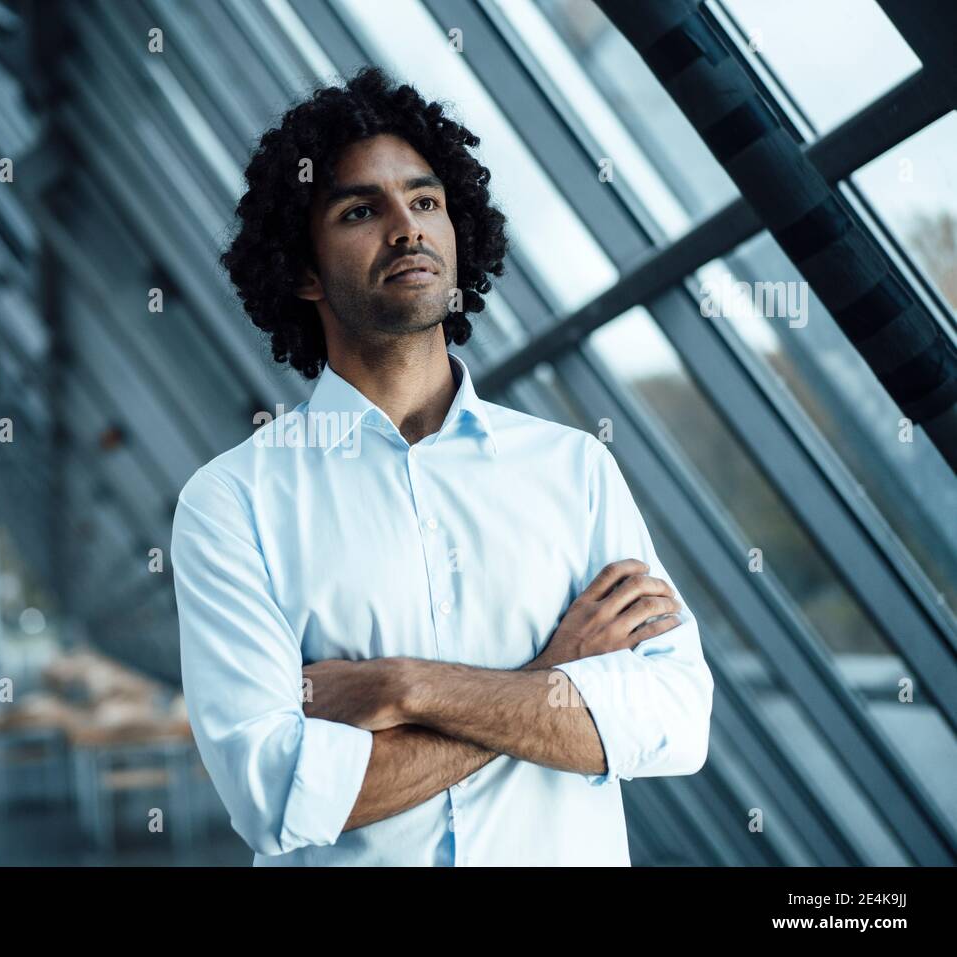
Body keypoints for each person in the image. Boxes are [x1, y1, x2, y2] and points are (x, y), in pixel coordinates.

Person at [171, 66, 713, 866]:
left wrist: (404, 688)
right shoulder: (231, 502)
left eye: (426, 202)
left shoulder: (574, 469)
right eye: (361, 209)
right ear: (303, 271)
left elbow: (672, 720)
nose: (407, 228)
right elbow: (280, 796)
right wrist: (554, 677)